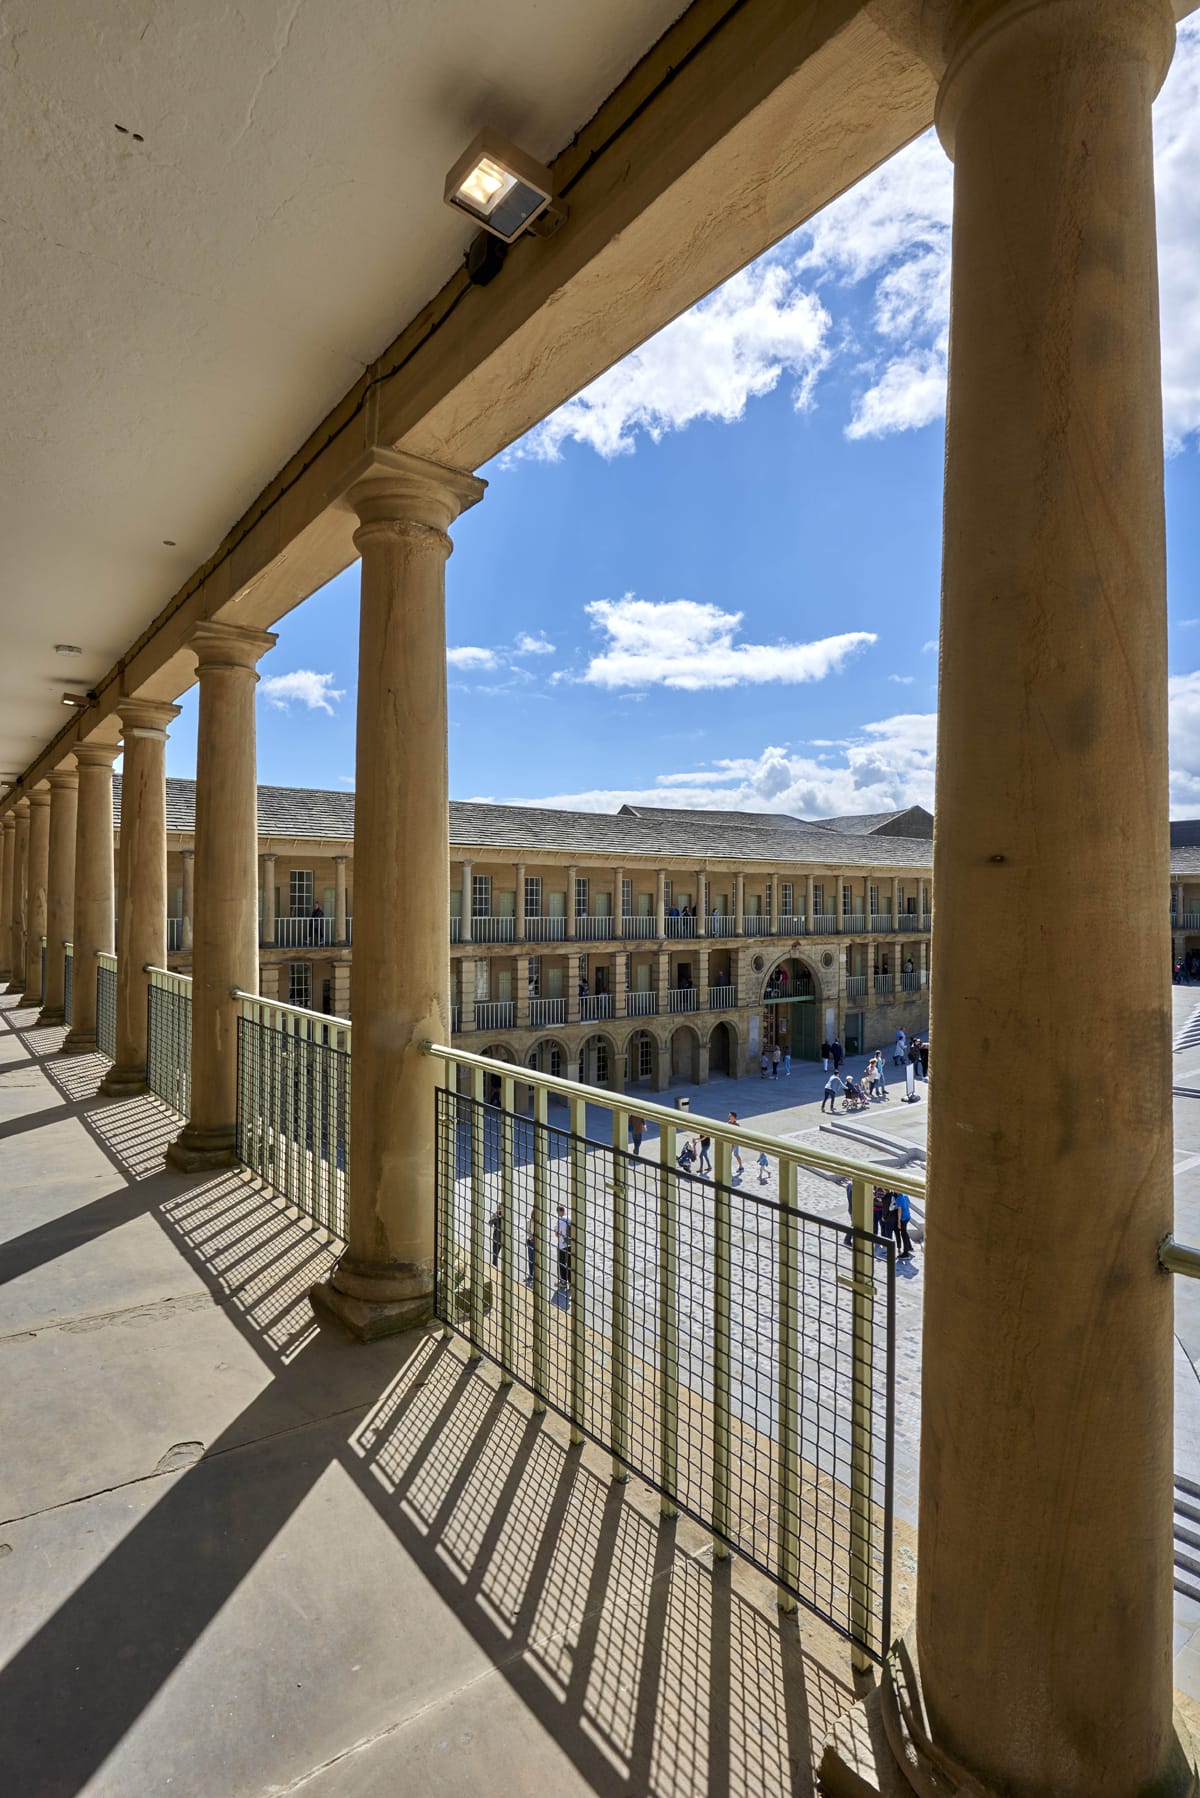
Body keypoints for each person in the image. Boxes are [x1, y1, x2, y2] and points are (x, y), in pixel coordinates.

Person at [892, 1190, 914, 1260]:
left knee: (903, 1234)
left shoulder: (899, 1198)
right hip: (907, 1216)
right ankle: (909, 1247)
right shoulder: (905, 1195)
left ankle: (905, 1253)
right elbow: (908, 1204)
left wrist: (899, 1222)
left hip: (903, 1218)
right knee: (905, 1232)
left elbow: (899, 1211)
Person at [556, 1205, 571, 1286]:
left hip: (562, 1245)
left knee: (562, 1263)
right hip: (571, 1244)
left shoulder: (560, 1221)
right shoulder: (570, 1218)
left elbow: (557, 1234)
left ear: (559, 1212)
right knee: (570, 1263)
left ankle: (563, 1282)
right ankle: (571, 1283)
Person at [490, 1201, 503, 1268]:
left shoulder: (506, 1216)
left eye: (500, 1207)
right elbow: (490, 1223)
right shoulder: (495, 1215)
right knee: (495, 1255)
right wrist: (496, 1218)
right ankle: (495, 1268)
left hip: (504, 1239)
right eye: (498, 1207)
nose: (499, 1209)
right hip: (496, 1238)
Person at [525, 1211, 535, 1287]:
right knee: (531, 1259)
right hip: (531, 1242)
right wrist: (530, 1235)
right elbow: (527, 1231)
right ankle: (531, 1274)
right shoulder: (530, 1221)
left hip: (538, 1242)